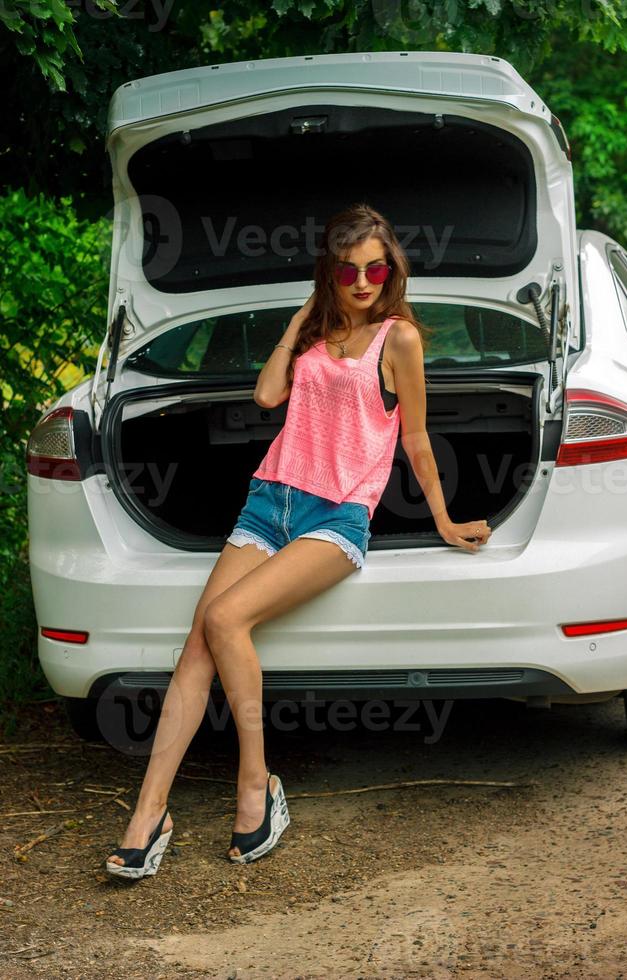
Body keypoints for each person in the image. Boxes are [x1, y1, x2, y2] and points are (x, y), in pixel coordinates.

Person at [105, 202, 492, 878]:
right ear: (331, 272)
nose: (364, 279)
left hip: (336, 514)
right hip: (268, 499)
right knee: (196, 646)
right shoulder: (314, 333)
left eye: (376, 267)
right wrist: (293, 326)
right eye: (349, 269)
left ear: (390, 268)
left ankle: (256, 784)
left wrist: (443, 518)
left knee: (224, 619)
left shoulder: (397, 338)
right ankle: (149, 811)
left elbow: (417, 438)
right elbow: (264, 397)